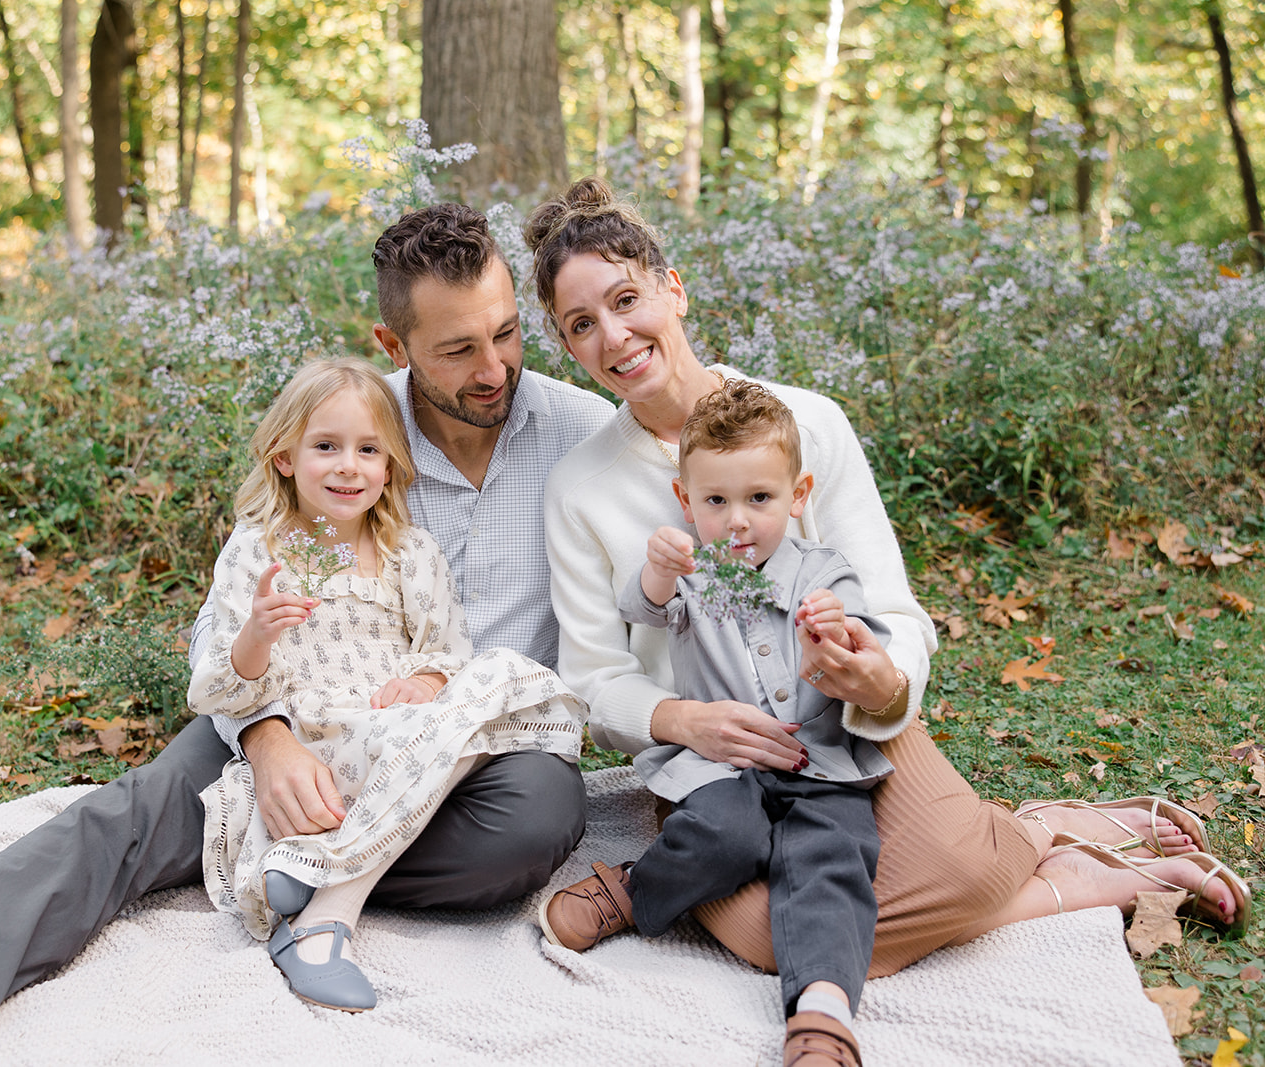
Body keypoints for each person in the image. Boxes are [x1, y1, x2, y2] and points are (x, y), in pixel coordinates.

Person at [0, 203, 613, 1066]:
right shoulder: (348, 428)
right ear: (393, 346)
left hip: (473, 757)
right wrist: (264, 738)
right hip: (298, 717)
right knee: (124, 818)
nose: (494, 366)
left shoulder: (583, 434)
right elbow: (226, 612)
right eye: (457, 348)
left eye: (506, 333)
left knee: (542, 817)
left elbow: (714, 457)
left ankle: (268, 863)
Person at [529, 176, 1246, 1057]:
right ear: (567, 347)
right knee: (764, 934)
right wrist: (686, 719)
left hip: (841, 731)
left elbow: (894, 609)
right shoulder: (583, 485)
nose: (614, 337)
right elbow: (592, 676)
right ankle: (1063, 859)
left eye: (626, 299)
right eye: (580, 325)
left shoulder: (810, 427)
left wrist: (878, 677)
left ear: (673, 288)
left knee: (955, 869)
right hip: (714, 765)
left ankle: (1042, 834)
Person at [190, 358, 583, 1011]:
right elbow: (224, 687)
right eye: (326, 446)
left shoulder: (409, 549)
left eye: (369, 449)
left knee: (499, 678)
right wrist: (257, 634)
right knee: (498, 696)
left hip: (396, 736)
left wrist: (426, 678)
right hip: (317, 742)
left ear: (391, 465)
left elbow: (448, 648)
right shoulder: (258, 548)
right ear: (285, 458)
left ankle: (309, 866)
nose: (349, 465)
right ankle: (324, 915)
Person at [540, 379, 901, 1066]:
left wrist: (839, 632)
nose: (737, 520)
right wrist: (657, 571)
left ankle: (821, 1014)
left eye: (759, 499)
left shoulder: (822, 572)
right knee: (724, 835)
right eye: (716, 500)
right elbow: (639, 611)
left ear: (797, 496)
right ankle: (634, 887)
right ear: (687, 501)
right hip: (721, 765)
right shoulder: (693, 576)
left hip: (817, 761)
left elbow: (865, 641)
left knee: (832, 860)